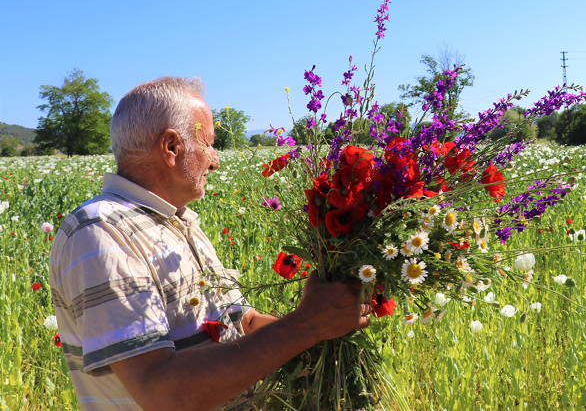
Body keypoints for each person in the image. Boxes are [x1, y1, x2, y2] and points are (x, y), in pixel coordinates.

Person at [49, 77, 371, 411]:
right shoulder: (101, 232)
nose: (215, 161)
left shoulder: (181, 221)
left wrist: (330, 327)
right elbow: (160, 391)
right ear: (171, 147)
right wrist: (307, 325)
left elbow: (244, 323)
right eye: (208, 144)